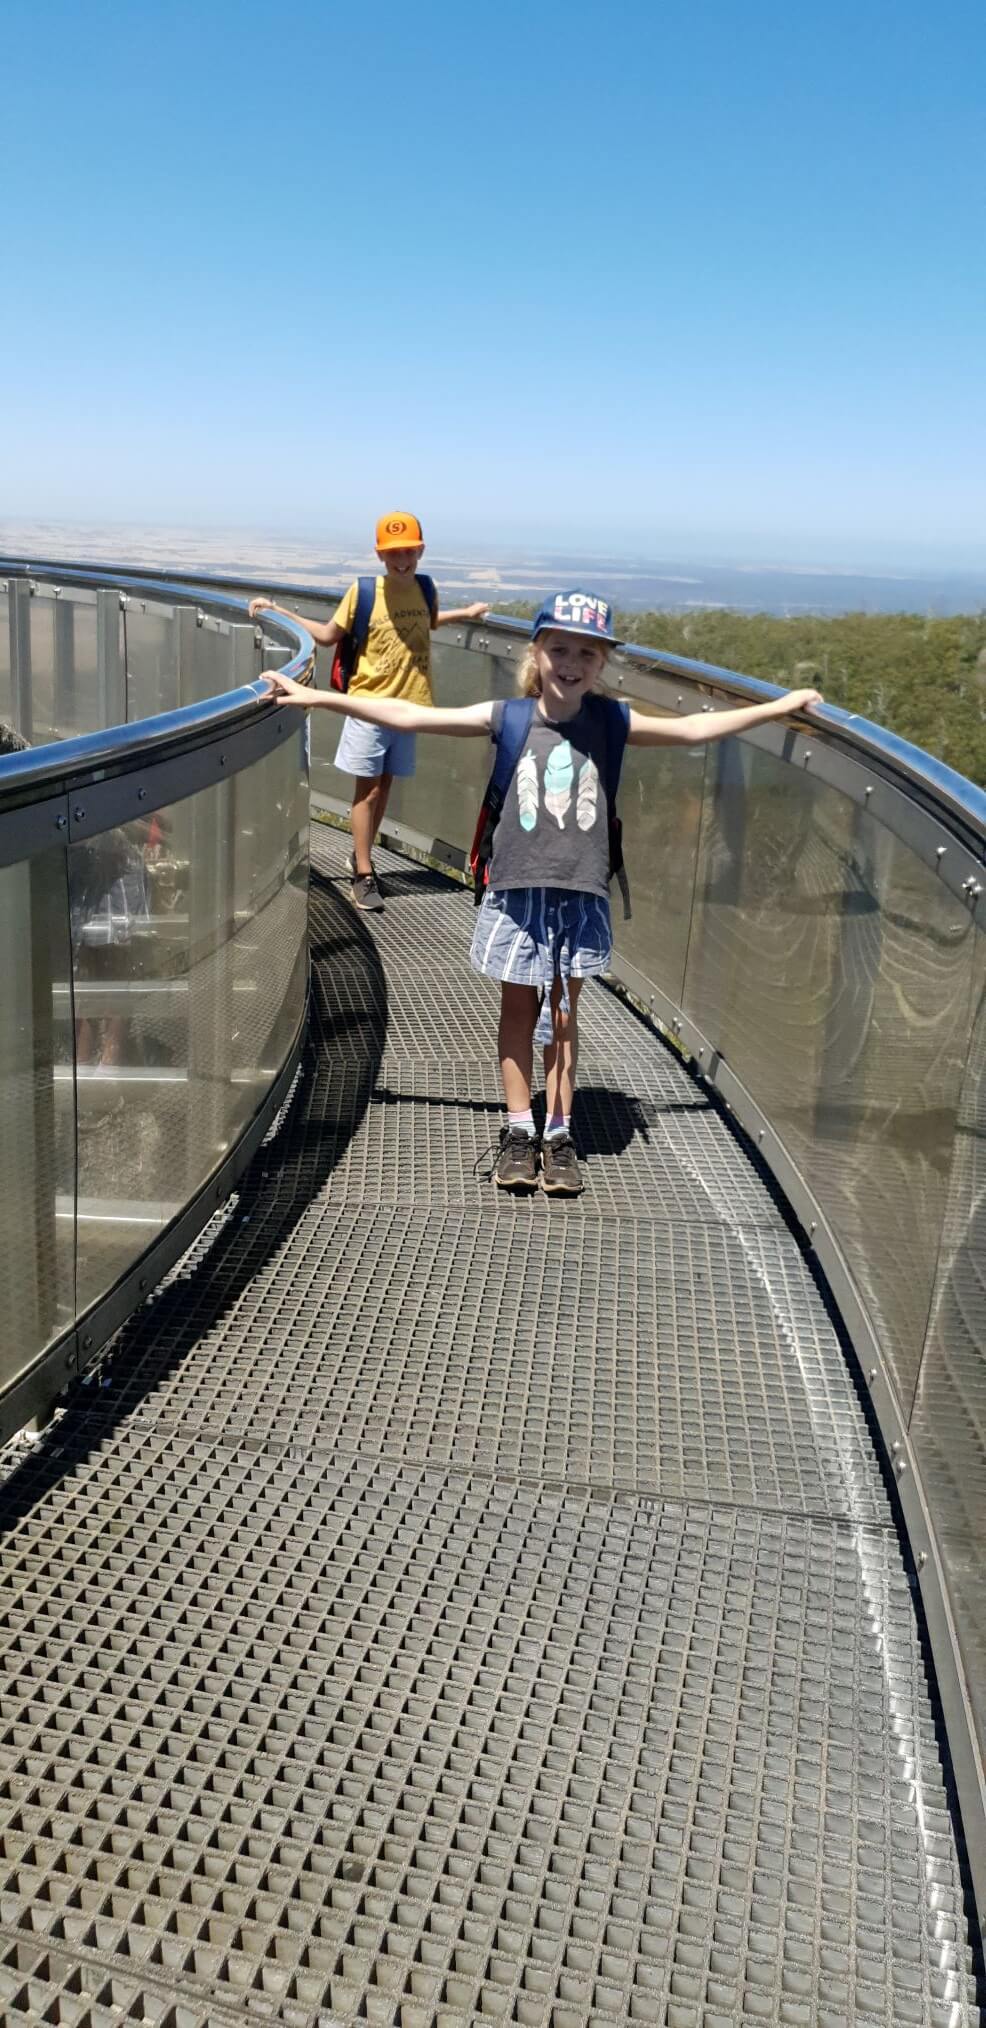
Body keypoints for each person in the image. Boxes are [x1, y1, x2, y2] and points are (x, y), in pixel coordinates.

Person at [264, 589, 822, 1196]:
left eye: (587, 652)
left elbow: (693, 729)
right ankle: (518, 1129)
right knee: (518, 1012)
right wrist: (318, 696)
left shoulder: (611, 722)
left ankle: (558, 1134)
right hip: (517, 891)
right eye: (559, 648)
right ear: (537, 651)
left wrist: (778, 708)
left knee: (562, 1016)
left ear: (602, 663)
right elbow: (412, 715)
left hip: (578, 894)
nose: (571, 662)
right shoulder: (507, 716)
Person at [248, 512, 489, 912]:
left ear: (421, 551)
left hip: (410, 707)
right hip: (367, 704)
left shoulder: (426, 588)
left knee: (386, 785)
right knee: (369, 789)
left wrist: (465, 614)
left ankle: (362, 857)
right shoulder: (362, 593)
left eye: (409, 551)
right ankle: (363, 871)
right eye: (393, 553)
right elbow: (328, 636)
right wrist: (279, 611)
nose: (401, 560)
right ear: (380, 555)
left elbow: (427, 623)